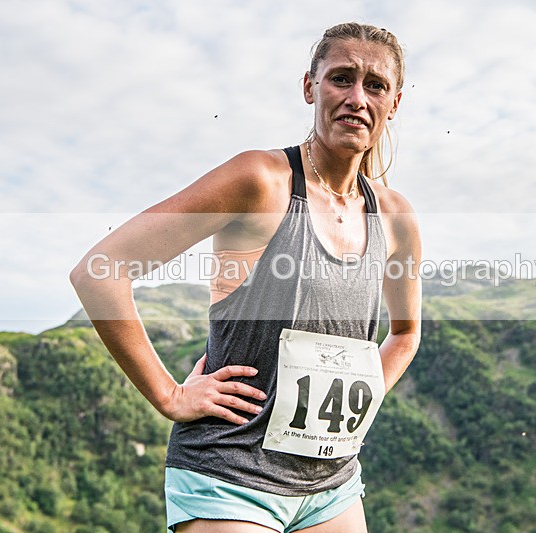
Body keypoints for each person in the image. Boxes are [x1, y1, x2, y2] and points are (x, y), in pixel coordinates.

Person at [70, 22, 421, 533]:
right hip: (230, 474)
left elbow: (405, 333)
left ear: (394, 103)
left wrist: (359, 396)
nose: (356, 98)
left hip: (333, 485)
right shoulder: (260, 180)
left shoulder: (394, 217)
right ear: (310, 87)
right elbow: (100, 271)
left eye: (375, 85)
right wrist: (169, 395)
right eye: (341, 78)